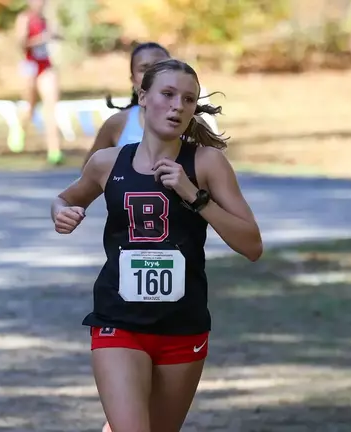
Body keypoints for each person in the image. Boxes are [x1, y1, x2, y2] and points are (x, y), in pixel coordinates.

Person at [51, 59, 263, 432]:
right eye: (167, 94)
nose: (178, 106)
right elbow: (66, 199)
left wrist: (194, 196)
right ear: (142, 96)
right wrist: (60, 212)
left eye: (188, 99)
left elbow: (251, 245)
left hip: (183, 326)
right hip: (118, 323)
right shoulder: (107, 162)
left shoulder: (207, 163)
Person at [13, 0, 64, 165]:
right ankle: (20, 128)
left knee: (51, 107)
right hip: (30, 65)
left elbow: (55, 38)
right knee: (30, 106)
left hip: (46, 65)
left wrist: (55, 35)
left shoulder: (48, 20)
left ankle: (54, 150)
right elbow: (21, 44)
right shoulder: (25, 18)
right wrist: (40, 39)